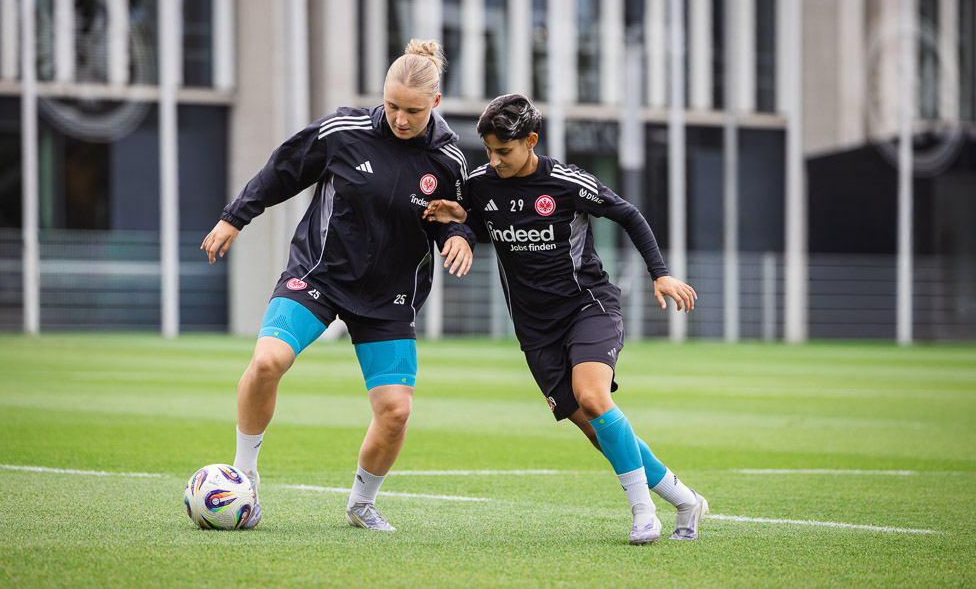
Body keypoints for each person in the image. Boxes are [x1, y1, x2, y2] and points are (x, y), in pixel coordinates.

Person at [201, 39, 475, 532]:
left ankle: (361, 504)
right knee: (267, 361)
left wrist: (457, 236)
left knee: (395, 412)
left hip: (389, 295)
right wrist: (234, 218)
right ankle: (244, 475)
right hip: (319, 275)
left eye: (412, 110)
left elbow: (454, 218)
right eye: (391, 105)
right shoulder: (343, 131)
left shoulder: (450, 162)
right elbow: (281, 170)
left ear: (435, 104)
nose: (400, 118)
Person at [423, 93, 707, 545]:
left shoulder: (566, 183)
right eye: (489, 151)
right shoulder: (479, 183)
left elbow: (629, 215)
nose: (494, 161)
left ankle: (643, 513)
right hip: (534, 330)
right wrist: (457, 225)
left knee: (593, 397)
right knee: (597, 430)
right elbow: (475, 221)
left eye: (504, 151)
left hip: (587, 307)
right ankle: (686, 499)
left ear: (531, 140)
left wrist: (661, 274)